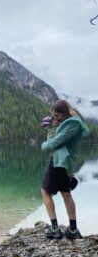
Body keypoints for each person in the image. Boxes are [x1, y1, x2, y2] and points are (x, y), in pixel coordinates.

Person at [40, 100, 90, 239]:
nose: (55, 118)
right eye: (53, 116)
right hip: (64, 162)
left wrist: (44, 144)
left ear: (65, 113)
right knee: (66, 194)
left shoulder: (72, 124)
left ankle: (55, 229)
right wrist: (53, 127)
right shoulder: (67, 124)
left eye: (57, 116)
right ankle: (72, 229)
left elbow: (55, 142)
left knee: (45, 191)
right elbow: (58, 139)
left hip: (58, 162)